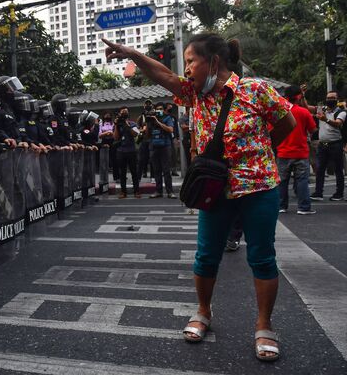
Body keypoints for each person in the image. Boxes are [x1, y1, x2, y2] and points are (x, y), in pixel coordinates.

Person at [102, 32, 296, 362]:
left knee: (262, 257)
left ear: (214, 62)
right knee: (206, 256)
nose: (186, 68)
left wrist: (256, 154)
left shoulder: (255, 90)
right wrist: (132, 53)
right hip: (214, 191)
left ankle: (264, 325)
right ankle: (203, 311)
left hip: (259, 187)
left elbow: (286, 123)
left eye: (191, 60)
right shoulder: (193, 94)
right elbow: (163, 75)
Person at [277, 85, 317, 214]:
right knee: (302, 180)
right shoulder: (304, 112)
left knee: (282, 181)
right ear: (299, 97)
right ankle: (304, 207)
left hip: (283, 152)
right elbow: (313, 130)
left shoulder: (279, 111)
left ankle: (281, 206)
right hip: (301, 152)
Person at [311, 90, 345, 201]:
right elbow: (306, 106)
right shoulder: (322, 109)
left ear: (337, 99)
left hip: (336, 144)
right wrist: (302, 94)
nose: (330, 100)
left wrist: (325, 119)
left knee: (338, 169)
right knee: (320, 169)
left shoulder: (342, 112)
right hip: (323, 144)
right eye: (328, 98)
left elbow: (338, 123)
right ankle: (318, 193)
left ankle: (339, 193)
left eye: (332, 98)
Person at [145, 102, 175, 198]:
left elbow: (170, 130)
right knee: (156, 170)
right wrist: (148, 122)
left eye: (161, 108)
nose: (159, 110)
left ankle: (170, 192)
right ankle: (158, 191)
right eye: (157, 109)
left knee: (166, 170)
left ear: (164, 109)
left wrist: (158, 122)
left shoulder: (168, 118)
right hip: (154, 146)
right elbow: (147, 135)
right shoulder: (152, 119)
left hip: (165, 146)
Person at [113, 106, 141, 198]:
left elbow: (136, 134)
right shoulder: (118, 124)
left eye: (126, 112)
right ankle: (123, 192)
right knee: (122, 173)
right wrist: (117, 125)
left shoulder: (132, 123)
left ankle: (136, 191)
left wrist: (127, 125)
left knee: (134, 172)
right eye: (122, 112)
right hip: (121, 151)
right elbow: (116, 138)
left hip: (131, 151)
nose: (124, 114)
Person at [136, 100, 153, 181]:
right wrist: (142, 130)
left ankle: (153, 177)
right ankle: (140, 176)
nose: (148, 105)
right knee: (141, 159)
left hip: (152, 140)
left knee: (152, 159)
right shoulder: (141, 117)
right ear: (144, 106)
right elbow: (137, 128)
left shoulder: (155, 115)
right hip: (143, 140)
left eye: (149, 104)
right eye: (146, 104)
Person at [99, 112, 117, 178]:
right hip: (104, 141)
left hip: (112, 141)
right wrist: (107, 132)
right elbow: (100, 135)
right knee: (105, 155)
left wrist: (109, 133)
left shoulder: (113, 124)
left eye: (109, 115)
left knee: (113, 155)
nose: (107, 116)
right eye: (106, 115)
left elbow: (115, 133)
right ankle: (105, 168)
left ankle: (112, 167)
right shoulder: (101, 124)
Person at [166, 102, 181, 176]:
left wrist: (177, 137)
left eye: (171, 107)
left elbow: (176, 128)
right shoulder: (164, 117)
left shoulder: (173, 117)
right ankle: (166, 170)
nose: (170, 108)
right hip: (166, 138)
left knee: (174, 154)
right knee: (167, 155)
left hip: (174, 137)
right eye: (169, 107)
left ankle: (174, 170)